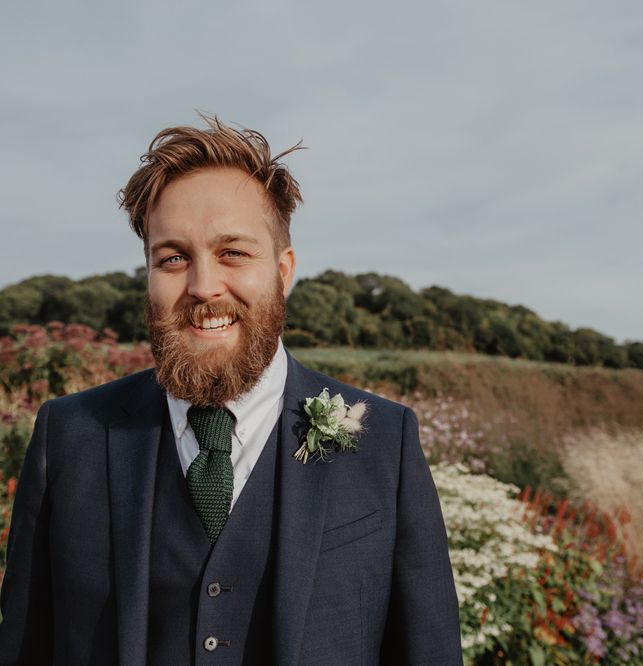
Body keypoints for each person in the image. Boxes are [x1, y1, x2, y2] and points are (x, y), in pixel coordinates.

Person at [0, 116, 462, 665]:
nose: (202, 286)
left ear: (283, 271)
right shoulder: (69, 436)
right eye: (172, 258)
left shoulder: (387, 441)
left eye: (233, 253)